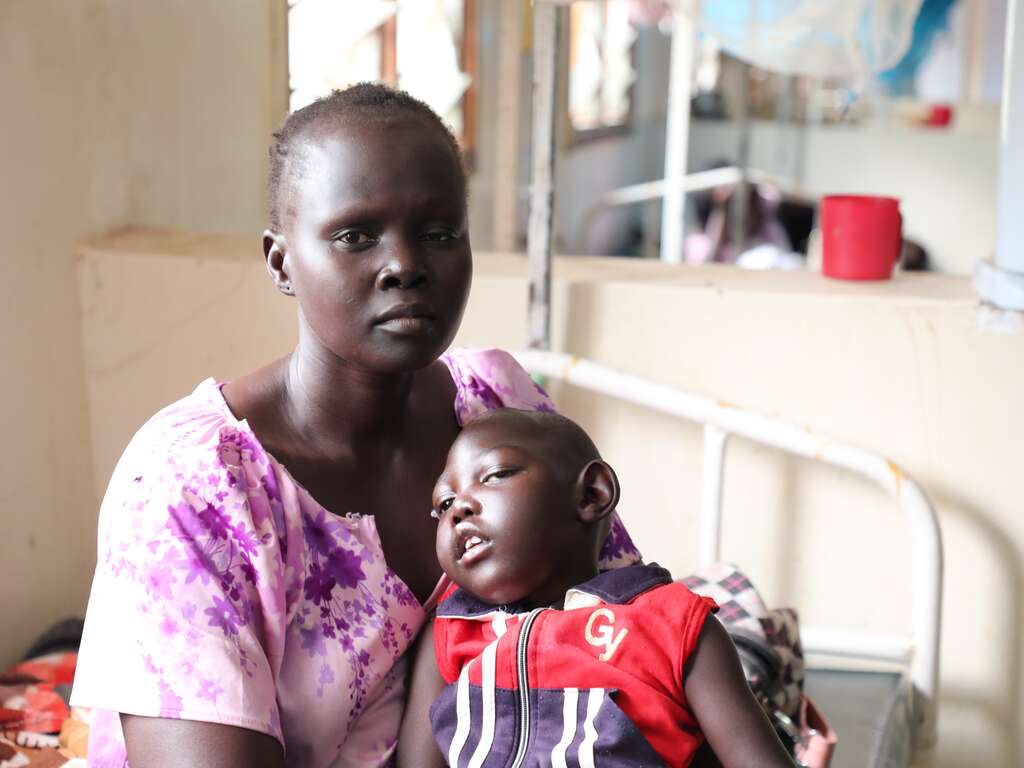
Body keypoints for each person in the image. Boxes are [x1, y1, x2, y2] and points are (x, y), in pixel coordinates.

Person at [69, 84, 640, 768]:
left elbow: (622, 633)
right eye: (355, 236)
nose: (405, 267)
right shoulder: (191, 485)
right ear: (282, 262)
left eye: (438, 234)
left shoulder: (498, 405)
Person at [397, 409, 795, 768]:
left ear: (592, 494)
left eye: (495, 474)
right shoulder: (450, 629)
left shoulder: (673, 625)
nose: (459, 508)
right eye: (444, 502)